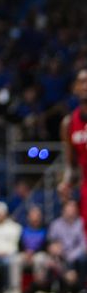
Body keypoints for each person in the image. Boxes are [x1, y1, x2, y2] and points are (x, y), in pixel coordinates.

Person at [59, 68, 87, 235]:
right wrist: (65, 183)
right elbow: (71, 166)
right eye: (82, 81)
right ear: (75, 88)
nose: (85, 86)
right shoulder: (68, 123)